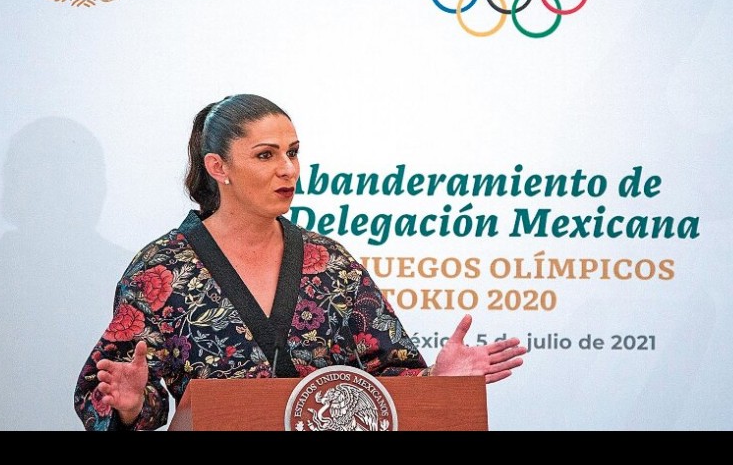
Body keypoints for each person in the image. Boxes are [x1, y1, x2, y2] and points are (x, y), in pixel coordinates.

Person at [74, 94, 526, 431]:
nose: (288, 169)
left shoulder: (328, 261)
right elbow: (111, 392)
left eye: (292, 152)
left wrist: (436, 379)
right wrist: (131, 405)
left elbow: (388, 374)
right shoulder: (162, 270)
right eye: (266, 155)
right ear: (218, 167)